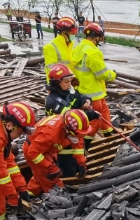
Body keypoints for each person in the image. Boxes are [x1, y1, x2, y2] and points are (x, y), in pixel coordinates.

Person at [45, 64, 100, 176]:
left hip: (74, 135)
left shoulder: (69, 91)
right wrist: (89, 114)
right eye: (66, 82)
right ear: (56, 83)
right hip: (62, 140)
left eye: (70, 81)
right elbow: (70, 120)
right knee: (68, 166)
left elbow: (81, 97)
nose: (70, 84)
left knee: (78, 157)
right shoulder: (52, 102)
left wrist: (87, 101)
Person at [24, 109, 90, 196]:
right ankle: (58, 198)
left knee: (40, 175)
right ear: (66, 130)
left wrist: (81, 163)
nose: (80, 137)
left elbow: (78, 144)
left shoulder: (73, 130)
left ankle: (30, 193)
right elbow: (33, 153)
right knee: (51, 178)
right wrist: (50, 167)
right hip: (34, 150)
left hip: (48, 149)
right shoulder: (50, 133)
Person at [71, 22, 116, 150]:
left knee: (105, 114)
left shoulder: (79, 48)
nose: (100, 41)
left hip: (87, 91)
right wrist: (113, 75)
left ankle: (109, 135)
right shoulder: (92, 52)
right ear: (96, 37)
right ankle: (85, 145)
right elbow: (102, 74)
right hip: (92, 94)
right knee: (94, 122)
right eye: (100, 38)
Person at [44, 17, 77, 81]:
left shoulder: (70, 44)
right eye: (72, 32)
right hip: (58, 85)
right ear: (64, 32)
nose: (74, 34)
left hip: (69, 83)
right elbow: (52, 71)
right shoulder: (50, 47)